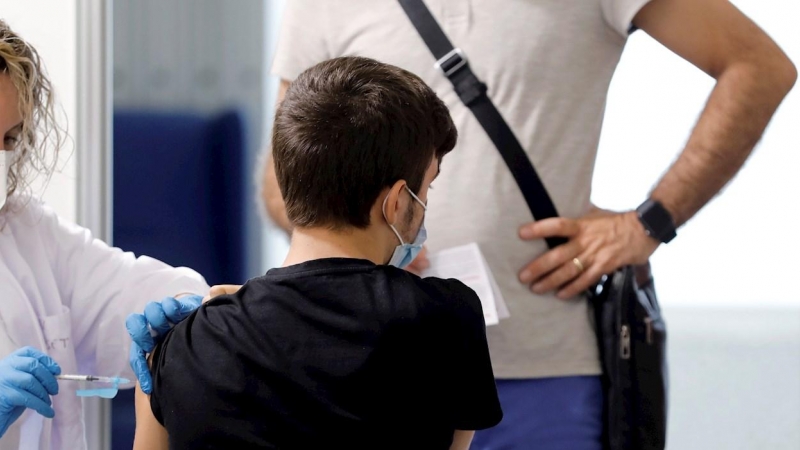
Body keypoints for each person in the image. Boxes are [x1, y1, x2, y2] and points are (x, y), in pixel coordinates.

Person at [254, 0, 797, 448]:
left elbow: (759, 66)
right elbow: (282, 187)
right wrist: (370, 240)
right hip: (369, 377)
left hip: (547, 371)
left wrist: (647, 223)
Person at [132, 56, 502, 450]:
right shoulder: (447, 319)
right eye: (425, 189)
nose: (424, 204)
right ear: (395, 201)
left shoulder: (177, 346)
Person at [0, 19, 210, 450]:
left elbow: (135, 289)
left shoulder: (28, 233)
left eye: (9, 138)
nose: (3, 156)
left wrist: (192, 313)